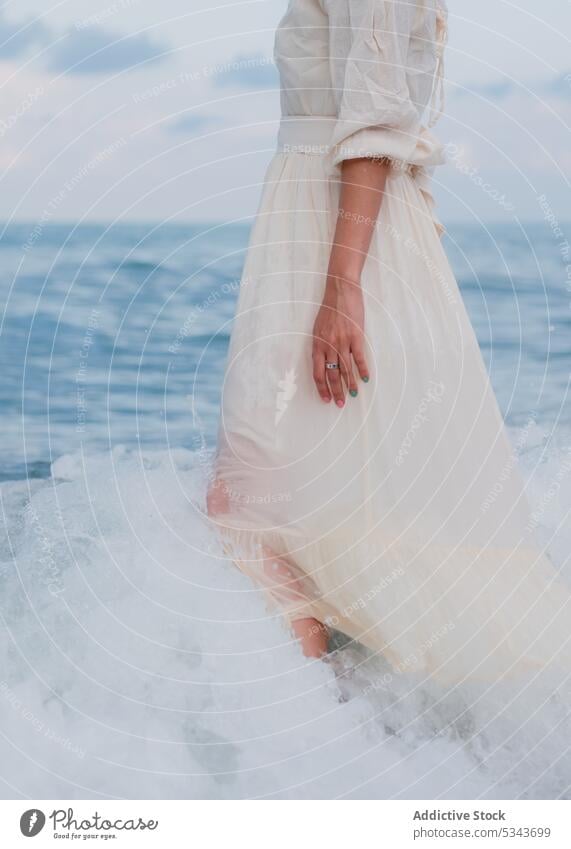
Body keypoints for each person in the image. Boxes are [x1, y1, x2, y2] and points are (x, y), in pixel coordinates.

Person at [207, 0, 569, 683]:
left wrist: (340, 288)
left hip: (333, 242)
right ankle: (354, 736)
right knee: (312, 507)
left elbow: (373, 123)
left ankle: (313, 747)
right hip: (326, 231)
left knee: (243, 505)